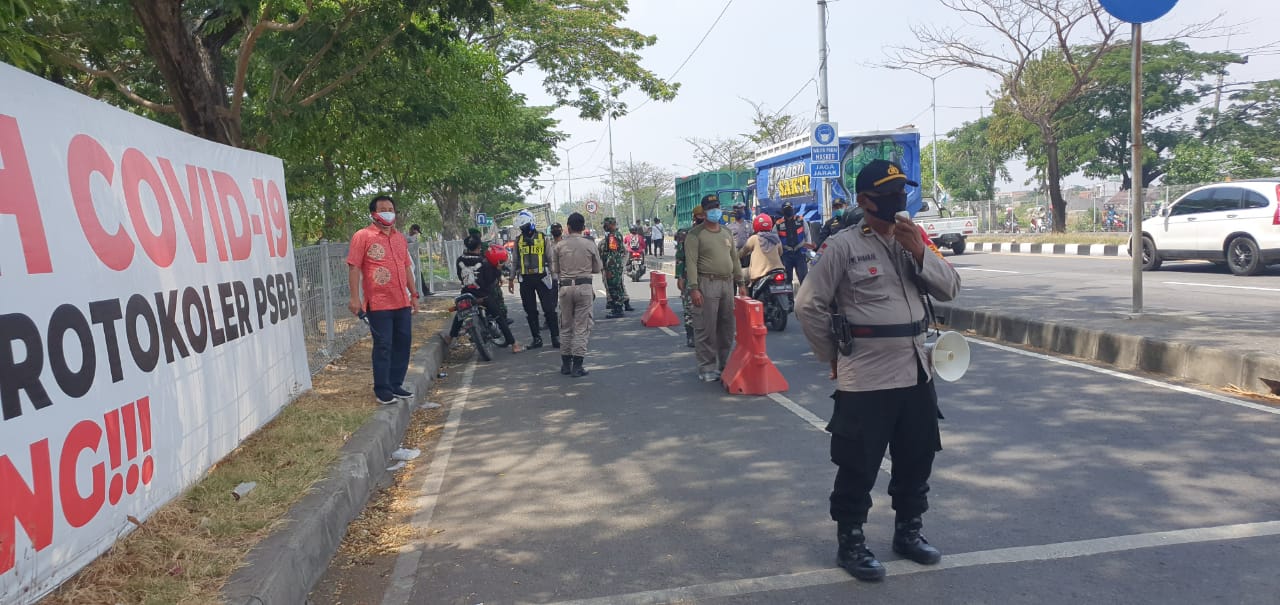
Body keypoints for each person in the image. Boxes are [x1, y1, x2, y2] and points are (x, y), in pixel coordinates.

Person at [794, 159, 962, 582]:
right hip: (866, 376)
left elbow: (951, 289)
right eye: (887, 193)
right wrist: (831, 354)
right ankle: (850, 541)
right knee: (858, 464)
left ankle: (909, 532)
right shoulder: (844, 246)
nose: (897, 199)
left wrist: (919, 250)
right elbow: (807, 304)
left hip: (916, 372)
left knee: (917, 458)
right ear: (866, 200)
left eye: (901, 191)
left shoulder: (915, 239)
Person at [346, 195, 419, 405]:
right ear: (373, 214)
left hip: (402, 302)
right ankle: (382, 388)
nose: (388, 212)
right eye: (383, 209)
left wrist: (413, 295)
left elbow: (407, 268)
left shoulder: (399, 238)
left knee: (403, 343)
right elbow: (354, 266)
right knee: (383, 345)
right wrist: (355, 298)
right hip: (378, 303)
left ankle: (396, 384)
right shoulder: (363, 236)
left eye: (391, 208)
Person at [684, 194, 747, 382]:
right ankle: (707, 367)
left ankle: (724, 364)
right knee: (706, 328)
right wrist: (694, 288)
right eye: (711, 208)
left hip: (727, 284)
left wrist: (741, 283)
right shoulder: (695, 235)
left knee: (727, 327)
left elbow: (734, 259)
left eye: (717, 207)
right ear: (704, 212)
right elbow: (691, 263)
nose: (715, 211)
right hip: (706, 283)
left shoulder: (726, 232)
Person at [553, 212, 603, 377]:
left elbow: (555, 270)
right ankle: (577, 367)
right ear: (583, 228)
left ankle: (566, 365)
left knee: (565, 326)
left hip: (565, 289)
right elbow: (597, 268)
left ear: (567, 228)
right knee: (581, 327)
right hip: (584, 288)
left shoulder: (559, 246)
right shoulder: (590, 244)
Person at [449, 234, 517, 349]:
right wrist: (498, 270)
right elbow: (489, 280)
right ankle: (514, 344)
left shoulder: (459, 260)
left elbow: (460, 277)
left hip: (466, 294)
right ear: (479, 246)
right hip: (483, 296)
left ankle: (450, 337)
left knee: (460, 314)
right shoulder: (484, 261)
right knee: (499, 317)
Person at [508, 212, 560, 349]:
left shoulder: (543, 238)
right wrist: (511, 279)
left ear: (531, 223)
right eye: (521, 226)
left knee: (549, 309)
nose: (523, 228)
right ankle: (536, 338)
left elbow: (550, 258)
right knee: (530, 310)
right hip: (525, 279)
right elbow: (514, 261)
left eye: (524, 225)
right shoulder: (518, 240)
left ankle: (556, 337)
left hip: (542, 277)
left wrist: (554, 278)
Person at [598, 217, 632, 318]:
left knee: (614, 287)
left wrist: (608, 269)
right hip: (617, 265)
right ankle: (618, 307)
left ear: (611, 224)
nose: (605, 226)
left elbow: (612, 254)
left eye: (606, 224)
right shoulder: (616, 235)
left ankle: (617, 309)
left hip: (613, 266)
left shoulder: (613, 236)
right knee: (618, 285)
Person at [738, 213, 784, 285]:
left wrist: (735, 256)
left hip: (760, 273)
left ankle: (746, 295)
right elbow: (780, 253)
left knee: (741, 275)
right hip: (778, 270)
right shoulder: (776, 239)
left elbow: (742, 252)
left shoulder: (754, 238)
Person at [776, 201, 813, 285]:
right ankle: (789, 298)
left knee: (803, 278)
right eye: (786, 209)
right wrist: (778, 254)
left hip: (800, 253)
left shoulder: (800, 220)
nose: (788, 211)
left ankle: (804, 297)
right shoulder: (778, 224)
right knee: (786, 280)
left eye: (790, 209)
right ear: (783, 211)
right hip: (786, 255)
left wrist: (808, 251)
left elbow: (807, 234)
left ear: (793, 210)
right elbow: (775, 240)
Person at [727, 201, 753, 268]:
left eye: (741, 209)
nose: (738, 211)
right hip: (735, 254)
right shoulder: (729, 227)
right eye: (736, 210)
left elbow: (752, 238)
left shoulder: (749, 225)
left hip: (747, 255)